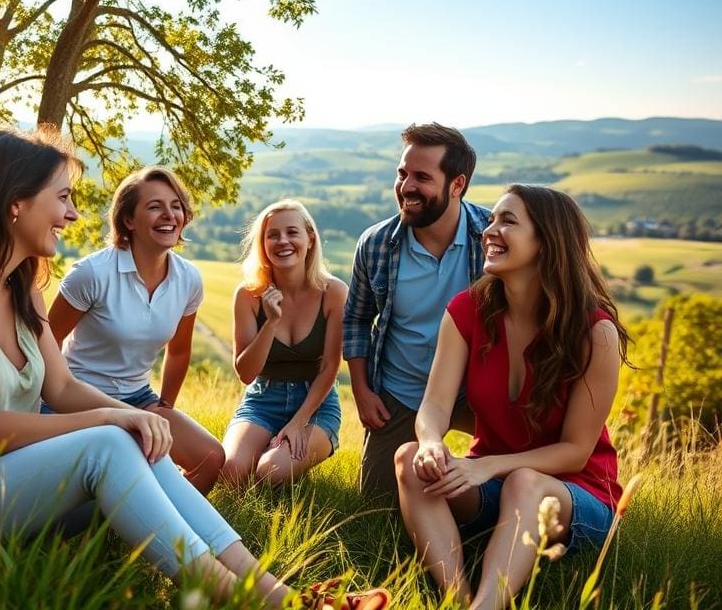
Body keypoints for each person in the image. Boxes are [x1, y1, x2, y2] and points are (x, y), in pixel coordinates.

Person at [0, 126, 389, 609]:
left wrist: (142, 416)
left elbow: (63, 386)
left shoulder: (20, 284)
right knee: (111, 439)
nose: (71, 215)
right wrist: (112, 419)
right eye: (63, 198)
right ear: (14, 204)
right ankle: (260, 604)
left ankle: (280, 592)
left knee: (138, 436)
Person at [395, 185, 629, 610]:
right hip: (494, 484)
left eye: (508, 222)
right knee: (410, 460)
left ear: (547, 242)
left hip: (577, 497)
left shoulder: (596, 333)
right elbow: (435, 406)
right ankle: (459, 598)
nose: (490, 231)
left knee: (524, 483)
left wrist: (488, 465)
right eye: (491, 221)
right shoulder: (467, 310)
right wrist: (431, 442)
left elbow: (575, 453)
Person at [46, 166, 224, 494]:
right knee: (114, 473)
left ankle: (155, 531)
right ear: (128, 220)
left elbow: (180, 350)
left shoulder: (188, 280)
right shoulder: (92, 274)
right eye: (155, 206)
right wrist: (53, 402)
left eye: (176, 205)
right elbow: (46, 340)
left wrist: (164, 408)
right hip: (79, 395)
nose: (169, 215)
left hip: (138, 397)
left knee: (210, 458)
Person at [344, 123, 490, 499]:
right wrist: (361, 389)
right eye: (402, 173)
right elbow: (357, 320)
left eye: (422, 177)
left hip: (478, 390)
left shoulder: (493, 237)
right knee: (375, 510)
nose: (406, 187)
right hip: (403, 392)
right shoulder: (376, 244)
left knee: (501, 501)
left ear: (457, 185)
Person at [221, 200, 345, 487]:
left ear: (309, 238)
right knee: (230, 472)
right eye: (272, 235)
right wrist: (271, 322)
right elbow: (245, 373)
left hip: (316, 405)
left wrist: (299, 422)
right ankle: (267, 446)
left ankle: (278, 455)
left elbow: (329, 367)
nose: (283, 241)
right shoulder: (248, 295)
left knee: (270, 472)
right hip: (263, 399)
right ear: (263, 244)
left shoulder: (334, 292)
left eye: (292, 232)